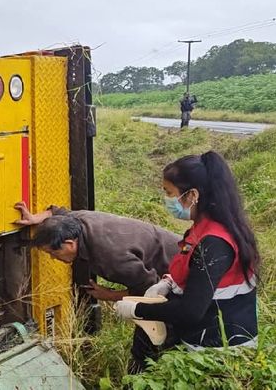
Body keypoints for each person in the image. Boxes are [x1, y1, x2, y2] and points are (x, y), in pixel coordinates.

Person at [114, 151, 259, 373]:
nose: (166, 199)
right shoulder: (202, 228)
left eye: (169, 193)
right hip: (205, 333)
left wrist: (138, 309)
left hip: (218, 348)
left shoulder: (214, 242)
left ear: (192, 195)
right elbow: (199, 276)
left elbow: (191, 311)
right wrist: (169, 283)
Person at [14, 203, 181, 301]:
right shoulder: (77, 220)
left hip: (184, 268)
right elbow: (57, 212)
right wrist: (35, 218)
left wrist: (110, 295)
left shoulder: (110, 257)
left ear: (70, 244)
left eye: (53, 252)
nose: (52, 258)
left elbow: (149, 287)